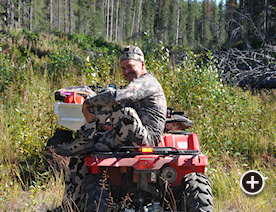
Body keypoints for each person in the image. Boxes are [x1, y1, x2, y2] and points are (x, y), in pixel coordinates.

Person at [53, 45, 167, 211]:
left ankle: (85, 137)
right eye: (123, 68)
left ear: (142, 64)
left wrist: (90, 103)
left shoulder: (147, 82)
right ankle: (70, 205)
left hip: (147, 139)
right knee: (80, 156)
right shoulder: (137, 83)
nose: (126, 71)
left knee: (117, 105)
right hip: (127, 137)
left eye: (130, 66)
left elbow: (118, 97)